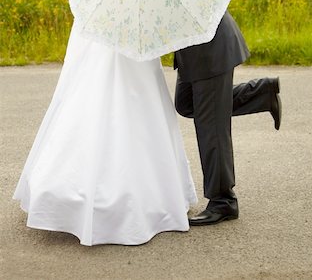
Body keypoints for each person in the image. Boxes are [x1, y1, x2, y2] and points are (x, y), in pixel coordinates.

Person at [12, 20, 197, 246]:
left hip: (127, 46)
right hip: (116, 43)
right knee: (109, 105)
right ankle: (140, 198)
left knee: (127, 107)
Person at [173, 10, 282, 226]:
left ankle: (223, 201)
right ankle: (262, 93)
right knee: (186, 104)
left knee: (210, 126)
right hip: (195, 52)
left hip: (209, 50)